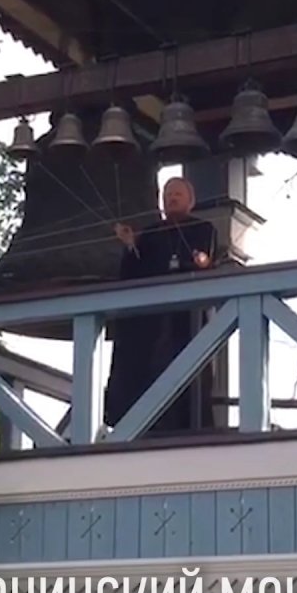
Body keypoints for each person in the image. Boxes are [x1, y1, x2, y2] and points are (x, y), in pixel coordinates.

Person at [102, 177, 220, 437]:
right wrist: (130, 246)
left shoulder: (203, 229)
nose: (172, 198)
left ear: (190, 201)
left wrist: (199, 263)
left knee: (188, 373)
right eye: (167, 195)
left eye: (177, 194)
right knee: (147, 369)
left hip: (186, 317)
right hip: (153, 321)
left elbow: (206, 264)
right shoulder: (151, 234)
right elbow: (134, 273)